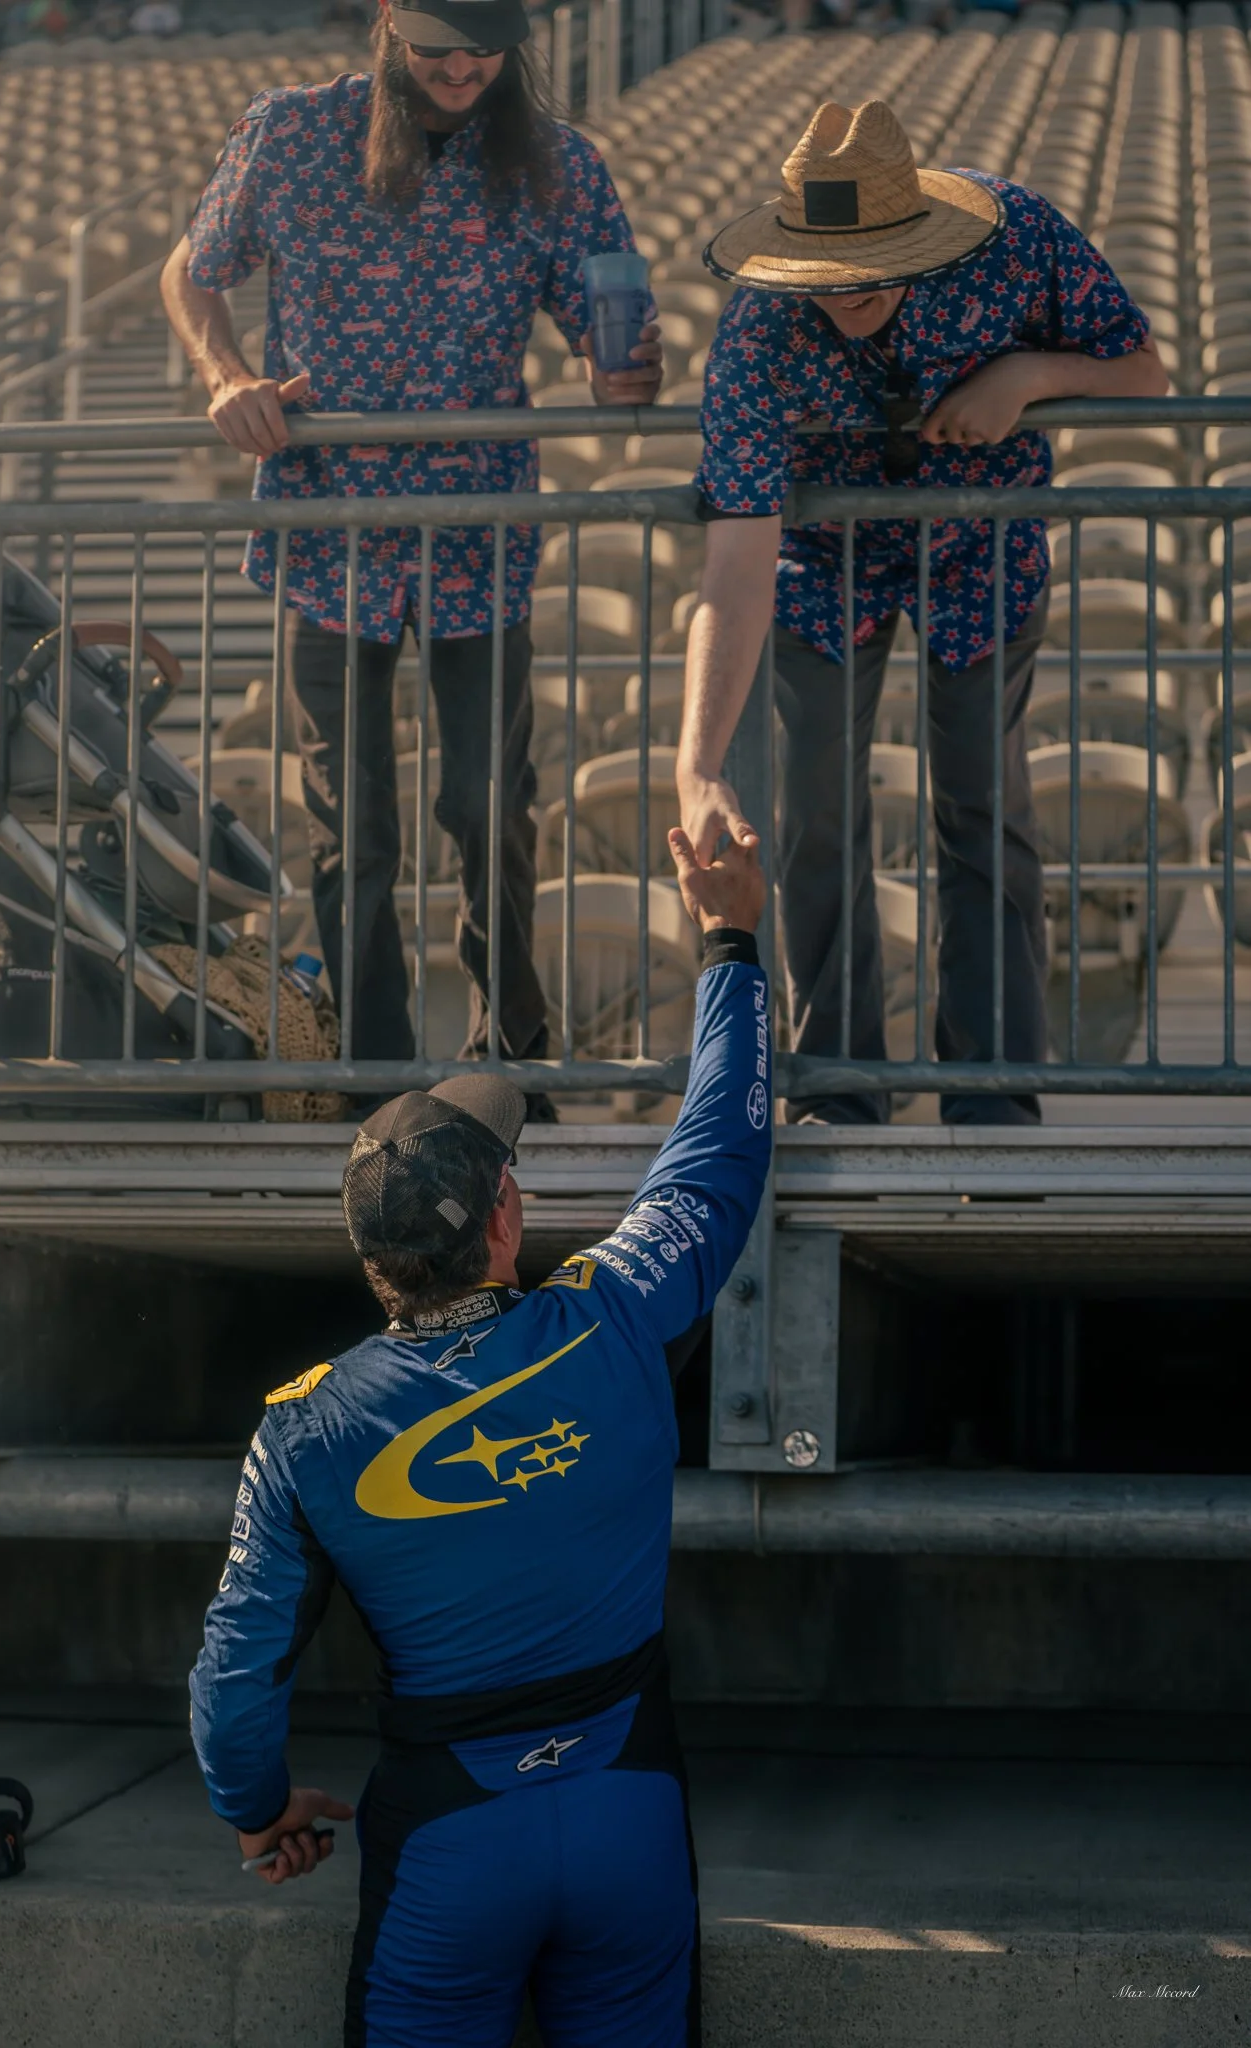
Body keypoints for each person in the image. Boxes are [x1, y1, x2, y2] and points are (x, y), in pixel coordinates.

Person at [188, 826, 770, 2048]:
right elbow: (715, 1158)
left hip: (447, 1846)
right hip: (630, 1813)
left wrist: (255, 1811)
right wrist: (731, 945)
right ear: (508, 1213)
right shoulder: (610, 1315)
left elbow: (234, 1686)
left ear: (368, 1259)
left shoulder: (302, 1429)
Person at [161, 0, 663, 1105]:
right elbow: (194, 269)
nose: (464, 69)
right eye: (438, 46)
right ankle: (374, 1070)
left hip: (476, 531)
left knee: (489, 806)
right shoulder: (292, 132)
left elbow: (609, 320)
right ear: (389, 24)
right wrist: (223, 375)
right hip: (328, 528)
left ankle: (508, 1054)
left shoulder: (553, 161)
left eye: (486, 49)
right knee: (355, 823)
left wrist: (621, 370)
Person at [676, 98, 1167, 1126]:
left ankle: (992, 1093)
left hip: (978, 551)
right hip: (821, 566)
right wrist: (697, 763)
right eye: (828, 266)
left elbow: (1142, 367)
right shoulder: (760, 329)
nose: (847, 289)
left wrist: (1029, 375)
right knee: (812, 817)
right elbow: (734, 558)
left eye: (871, 263)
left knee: (982, 811)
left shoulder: (1018, 234)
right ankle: (839, 1087)